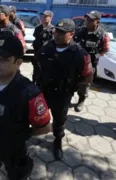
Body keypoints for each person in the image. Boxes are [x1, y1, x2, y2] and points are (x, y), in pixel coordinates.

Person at [0, 33, 51, 180]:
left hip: (14, 147)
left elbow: (44, 127)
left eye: (4, 59)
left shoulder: (30, 94)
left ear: (18, 63)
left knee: (16, 173)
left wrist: (21, 134)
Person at [37, 19, 93, 160]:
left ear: (71, 34)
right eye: (56, 31)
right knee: (38, 114)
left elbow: (86, 77)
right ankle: (36, 131)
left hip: (62, 94)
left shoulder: (80, 54)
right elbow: (37, 66)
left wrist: (72, 88)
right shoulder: (46, 47)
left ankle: (57, 140)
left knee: (59, 119)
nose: (56, 34)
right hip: (43, 90)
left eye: (61, 32)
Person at [73, 10, 110, 112]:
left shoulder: (102, 34)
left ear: (97, 21)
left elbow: (105, 49)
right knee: (71, 81)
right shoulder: (80, 30)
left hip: (89, 65)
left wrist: (96, 56)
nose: (87, 21)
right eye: (87, 18)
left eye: (91, 20)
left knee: (84, 84)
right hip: (76, 62)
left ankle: (81, 99)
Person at [32, 10, 54, 83]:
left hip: (47, 56)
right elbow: (36, 39)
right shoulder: (38, 28)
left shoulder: (53, 30)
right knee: (36, 73)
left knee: (45, 74)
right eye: (43, 16)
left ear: (51, 18)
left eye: (46, 16)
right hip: (37, 54)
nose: (43, 18)